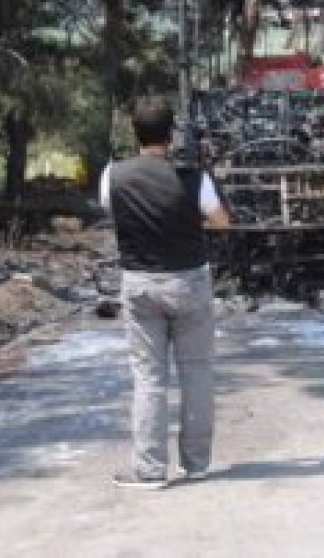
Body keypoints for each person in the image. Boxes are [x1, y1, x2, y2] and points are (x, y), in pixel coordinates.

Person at [100, 97, 231, 489]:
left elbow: (113, 210)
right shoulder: (194, 178)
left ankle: (151, 469)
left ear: (135, 134)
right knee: (196, 373)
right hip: (189, 281)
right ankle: (197, 463)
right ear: (171, 135)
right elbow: (222, 223)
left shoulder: (113, 175)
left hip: (140, 283)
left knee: (149, 378)